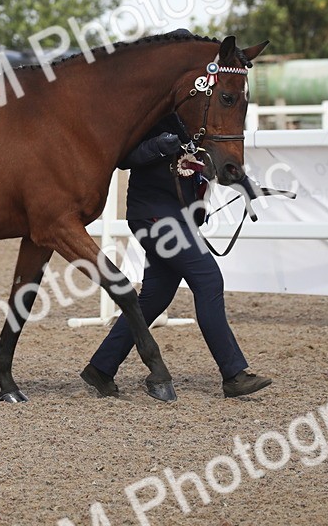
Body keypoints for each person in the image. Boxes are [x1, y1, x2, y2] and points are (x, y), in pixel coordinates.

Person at [81, 113, 272, 400]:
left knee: (155, 297)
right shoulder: (154, 113)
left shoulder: (198, 121)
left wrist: (244, 185)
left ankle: (101, 368)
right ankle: (233, 374)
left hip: (174, 219)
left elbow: (211, 164)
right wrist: (159, 145)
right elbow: (124, 157)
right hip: (155, 216)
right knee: (207, 280)